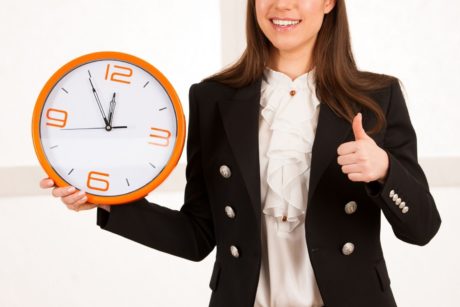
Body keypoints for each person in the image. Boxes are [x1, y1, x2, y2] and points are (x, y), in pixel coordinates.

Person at [40, 0, 442, 306]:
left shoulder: (376, 97)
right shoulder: (213, 98)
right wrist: (110, 204)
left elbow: (422, 228)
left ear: (329, 3)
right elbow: (197, 236)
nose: (281, 6)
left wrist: (385, 171)